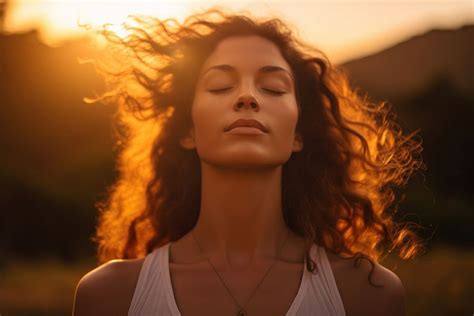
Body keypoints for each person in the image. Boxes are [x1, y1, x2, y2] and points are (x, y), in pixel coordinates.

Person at [73, 7, 425, 316]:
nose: (246, 97)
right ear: (188, 130)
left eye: (272, 88)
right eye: (221, 85)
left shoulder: (367, 296)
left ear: (299, 133)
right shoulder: (109, 297)